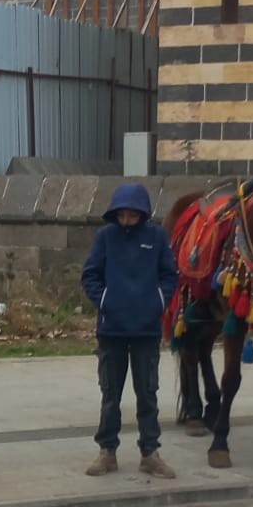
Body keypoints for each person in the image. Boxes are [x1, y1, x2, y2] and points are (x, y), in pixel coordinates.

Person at [81, 182, 179, 480]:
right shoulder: (105, 237)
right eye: (121, 215)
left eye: (132, 215)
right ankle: (106, 451)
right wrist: (106, 301)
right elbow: (90, 275)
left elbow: (169, 275)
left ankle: (150, 452)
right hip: (111, 331)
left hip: (146, 331)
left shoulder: (157, 237)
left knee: (147, 393)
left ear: (142, 214)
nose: (126, 220)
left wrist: (158, 302)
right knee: (111, 394)